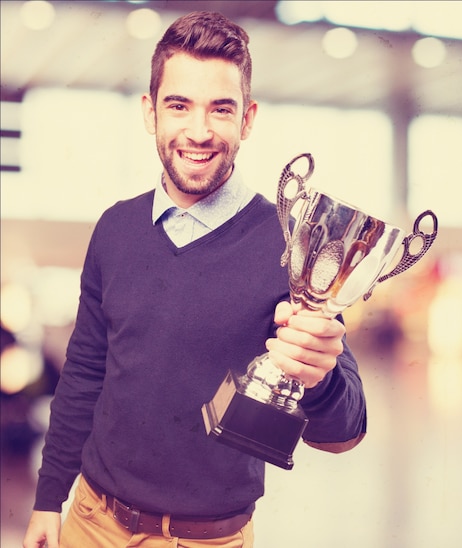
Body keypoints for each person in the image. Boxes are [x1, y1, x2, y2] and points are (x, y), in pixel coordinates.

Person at [22, 11, 366, 548]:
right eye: (178, 105)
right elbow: (85, 374)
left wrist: (319, 377)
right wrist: (49, 499)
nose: (199, 132)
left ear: (248, 119)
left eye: (220, 110)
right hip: (90, 523)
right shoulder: (115, 228)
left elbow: (344, 429)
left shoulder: (289, 246)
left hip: (209, 539)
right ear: (150, 111)